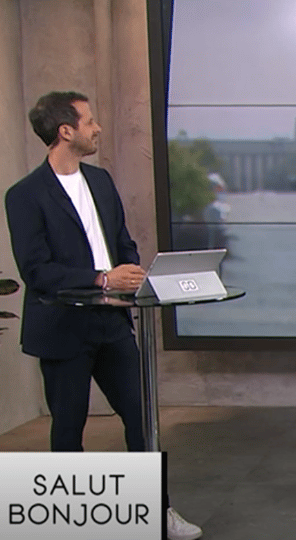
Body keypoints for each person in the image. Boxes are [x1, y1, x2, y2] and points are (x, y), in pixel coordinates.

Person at [5, 91, 203, 540]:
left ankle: (157, 512)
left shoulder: (101, 180)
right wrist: (101, 280)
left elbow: (122, 241)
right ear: (65, 131)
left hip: (112, 325)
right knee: (69, 427)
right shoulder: (24, 196)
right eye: (89, 122)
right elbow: (36, 270)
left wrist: (129, 275)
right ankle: (67, 525)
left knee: (142, 419)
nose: (96, 128)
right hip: (62, 326)